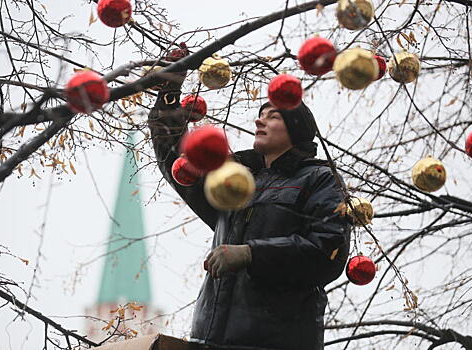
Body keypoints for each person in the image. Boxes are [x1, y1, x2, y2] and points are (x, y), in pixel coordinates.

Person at [148, 78, 351, 350]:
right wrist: (169, 92)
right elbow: (178, 163)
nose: (259, 122)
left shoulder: (321, 179)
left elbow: (327, 252)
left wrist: (250, 253)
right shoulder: (235, 183)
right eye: (259, 116)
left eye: (273, 116)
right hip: (209, 341)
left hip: (277, 343)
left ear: (297, 129)